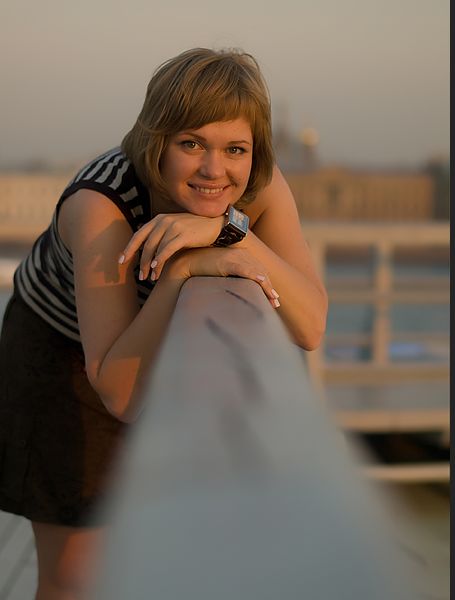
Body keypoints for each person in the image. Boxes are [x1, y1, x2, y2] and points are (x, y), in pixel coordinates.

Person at [0, 47, 328, 598]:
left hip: (171, 355)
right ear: (157, 141)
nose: (214, 169)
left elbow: (311, 324)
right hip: (65, 358)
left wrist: (232, 235)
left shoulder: (258, 184)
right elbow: (121, 393)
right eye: (191, 143)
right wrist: (180, 275)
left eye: (235, 148)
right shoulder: (101, 205)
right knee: (76, 577)